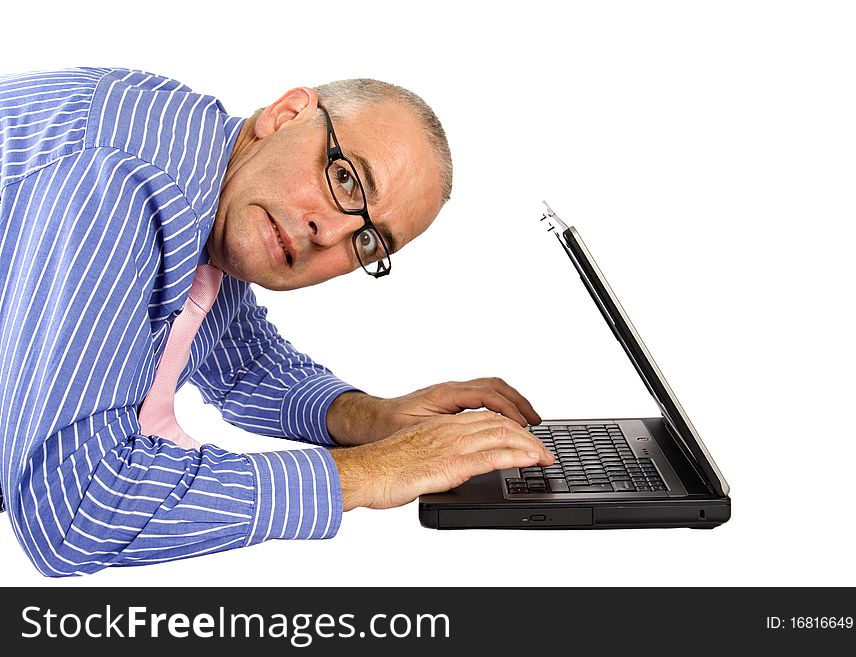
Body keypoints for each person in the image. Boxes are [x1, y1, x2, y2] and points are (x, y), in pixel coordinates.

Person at [0, 67, 553, 576]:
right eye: (346, 179)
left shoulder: (211, 170)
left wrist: (370, 418)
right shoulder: (122, 181)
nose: (330, 233)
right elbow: (73, 511)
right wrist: (371, 472)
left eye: (367, 241)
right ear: (285, 114)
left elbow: (235, 355)